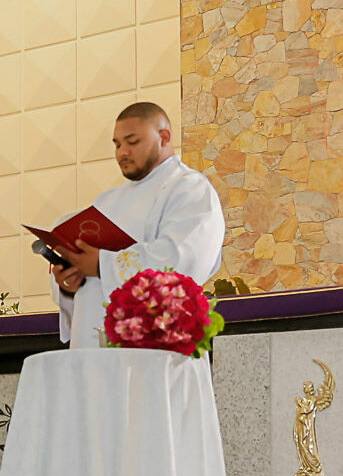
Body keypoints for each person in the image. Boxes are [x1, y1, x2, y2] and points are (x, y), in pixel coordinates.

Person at [49, 103, 225, 349]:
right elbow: (87, 283)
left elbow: (181, 262)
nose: (122, 152)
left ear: (164, 137)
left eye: (132, 142)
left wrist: (101, 264)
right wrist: (69, 283)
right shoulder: (106, 201)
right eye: (117, 144)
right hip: (92, 349)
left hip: (155, 349)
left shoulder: (190, 189)